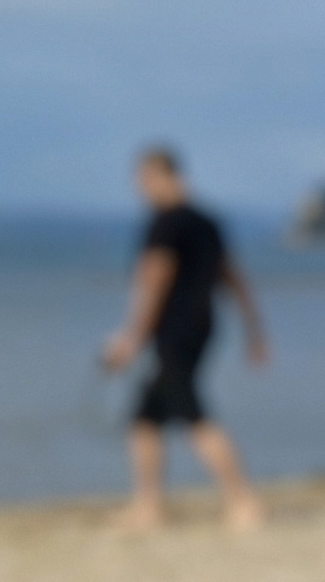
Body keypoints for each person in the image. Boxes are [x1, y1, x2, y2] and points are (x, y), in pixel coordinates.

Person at [101, 144, 268, 531]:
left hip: (175, 331)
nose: (141, 189)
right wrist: (254, 329)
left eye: (143, 180)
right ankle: (149, 506)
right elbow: (233, 276)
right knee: (145, 418)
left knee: (194, 415)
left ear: (160, 176)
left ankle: (243, 500)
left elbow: (153, 281)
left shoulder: (165, 223)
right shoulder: (207, 221)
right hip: (203, 326)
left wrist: (131, 339)